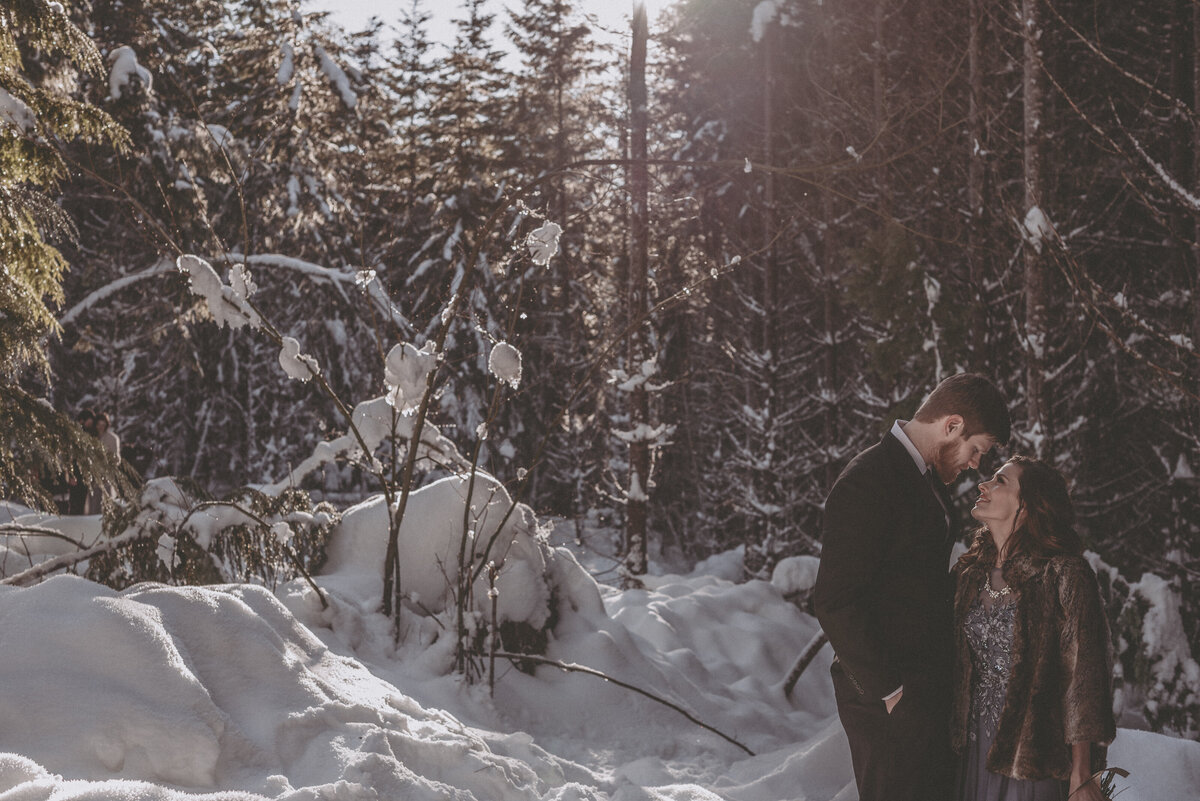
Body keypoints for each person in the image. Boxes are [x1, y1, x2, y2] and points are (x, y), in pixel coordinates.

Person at [814, 373, 1010, 801]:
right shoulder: (868, 479)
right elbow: (834, 600)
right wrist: (889, 691)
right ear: (952, 425)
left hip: (924, 695)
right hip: (889, 702)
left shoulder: (924, 478)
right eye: (976, 450)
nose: (976, 464)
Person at [952, 456, 1115, 801]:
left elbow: (1084, 680)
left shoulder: (1064, 574)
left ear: (1026, 507)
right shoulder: (968, 576)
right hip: (971, 751)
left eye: (1000, 481)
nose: (983, 486)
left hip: (1032, 756)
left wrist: (1082, 774)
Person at [68, 408, 96, 515]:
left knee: (83, 499)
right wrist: (71, 475)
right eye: (88, 421)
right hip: (75, 471)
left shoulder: (91, 434)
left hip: (86, 472)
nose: (90, 424)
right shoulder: (75, 434)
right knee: (75, 500)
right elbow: (70, 456)